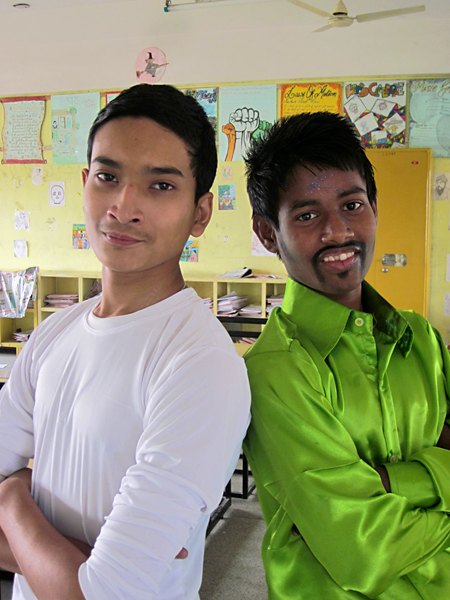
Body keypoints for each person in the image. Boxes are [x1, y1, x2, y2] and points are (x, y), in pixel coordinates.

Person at [0, 83, 251, 599]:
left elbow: (102, 595)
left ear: (200, 213)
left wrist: (11, 502)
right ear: (85, 182)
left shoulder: (200, 364)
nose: (123, 206)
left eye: (160, 185)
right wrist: (68, 557)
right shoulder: (54, 334)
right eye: (108, 177)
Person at [243, 111, 450, 599]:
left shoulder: (421, 339)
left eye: (352, 205)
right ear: (269, 233)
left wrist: (387, 482)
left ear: (374, 207)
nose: (338, 231)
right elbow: (364, 549)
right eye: (307, 215)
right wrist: (439, 468)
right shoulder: (274, 370)